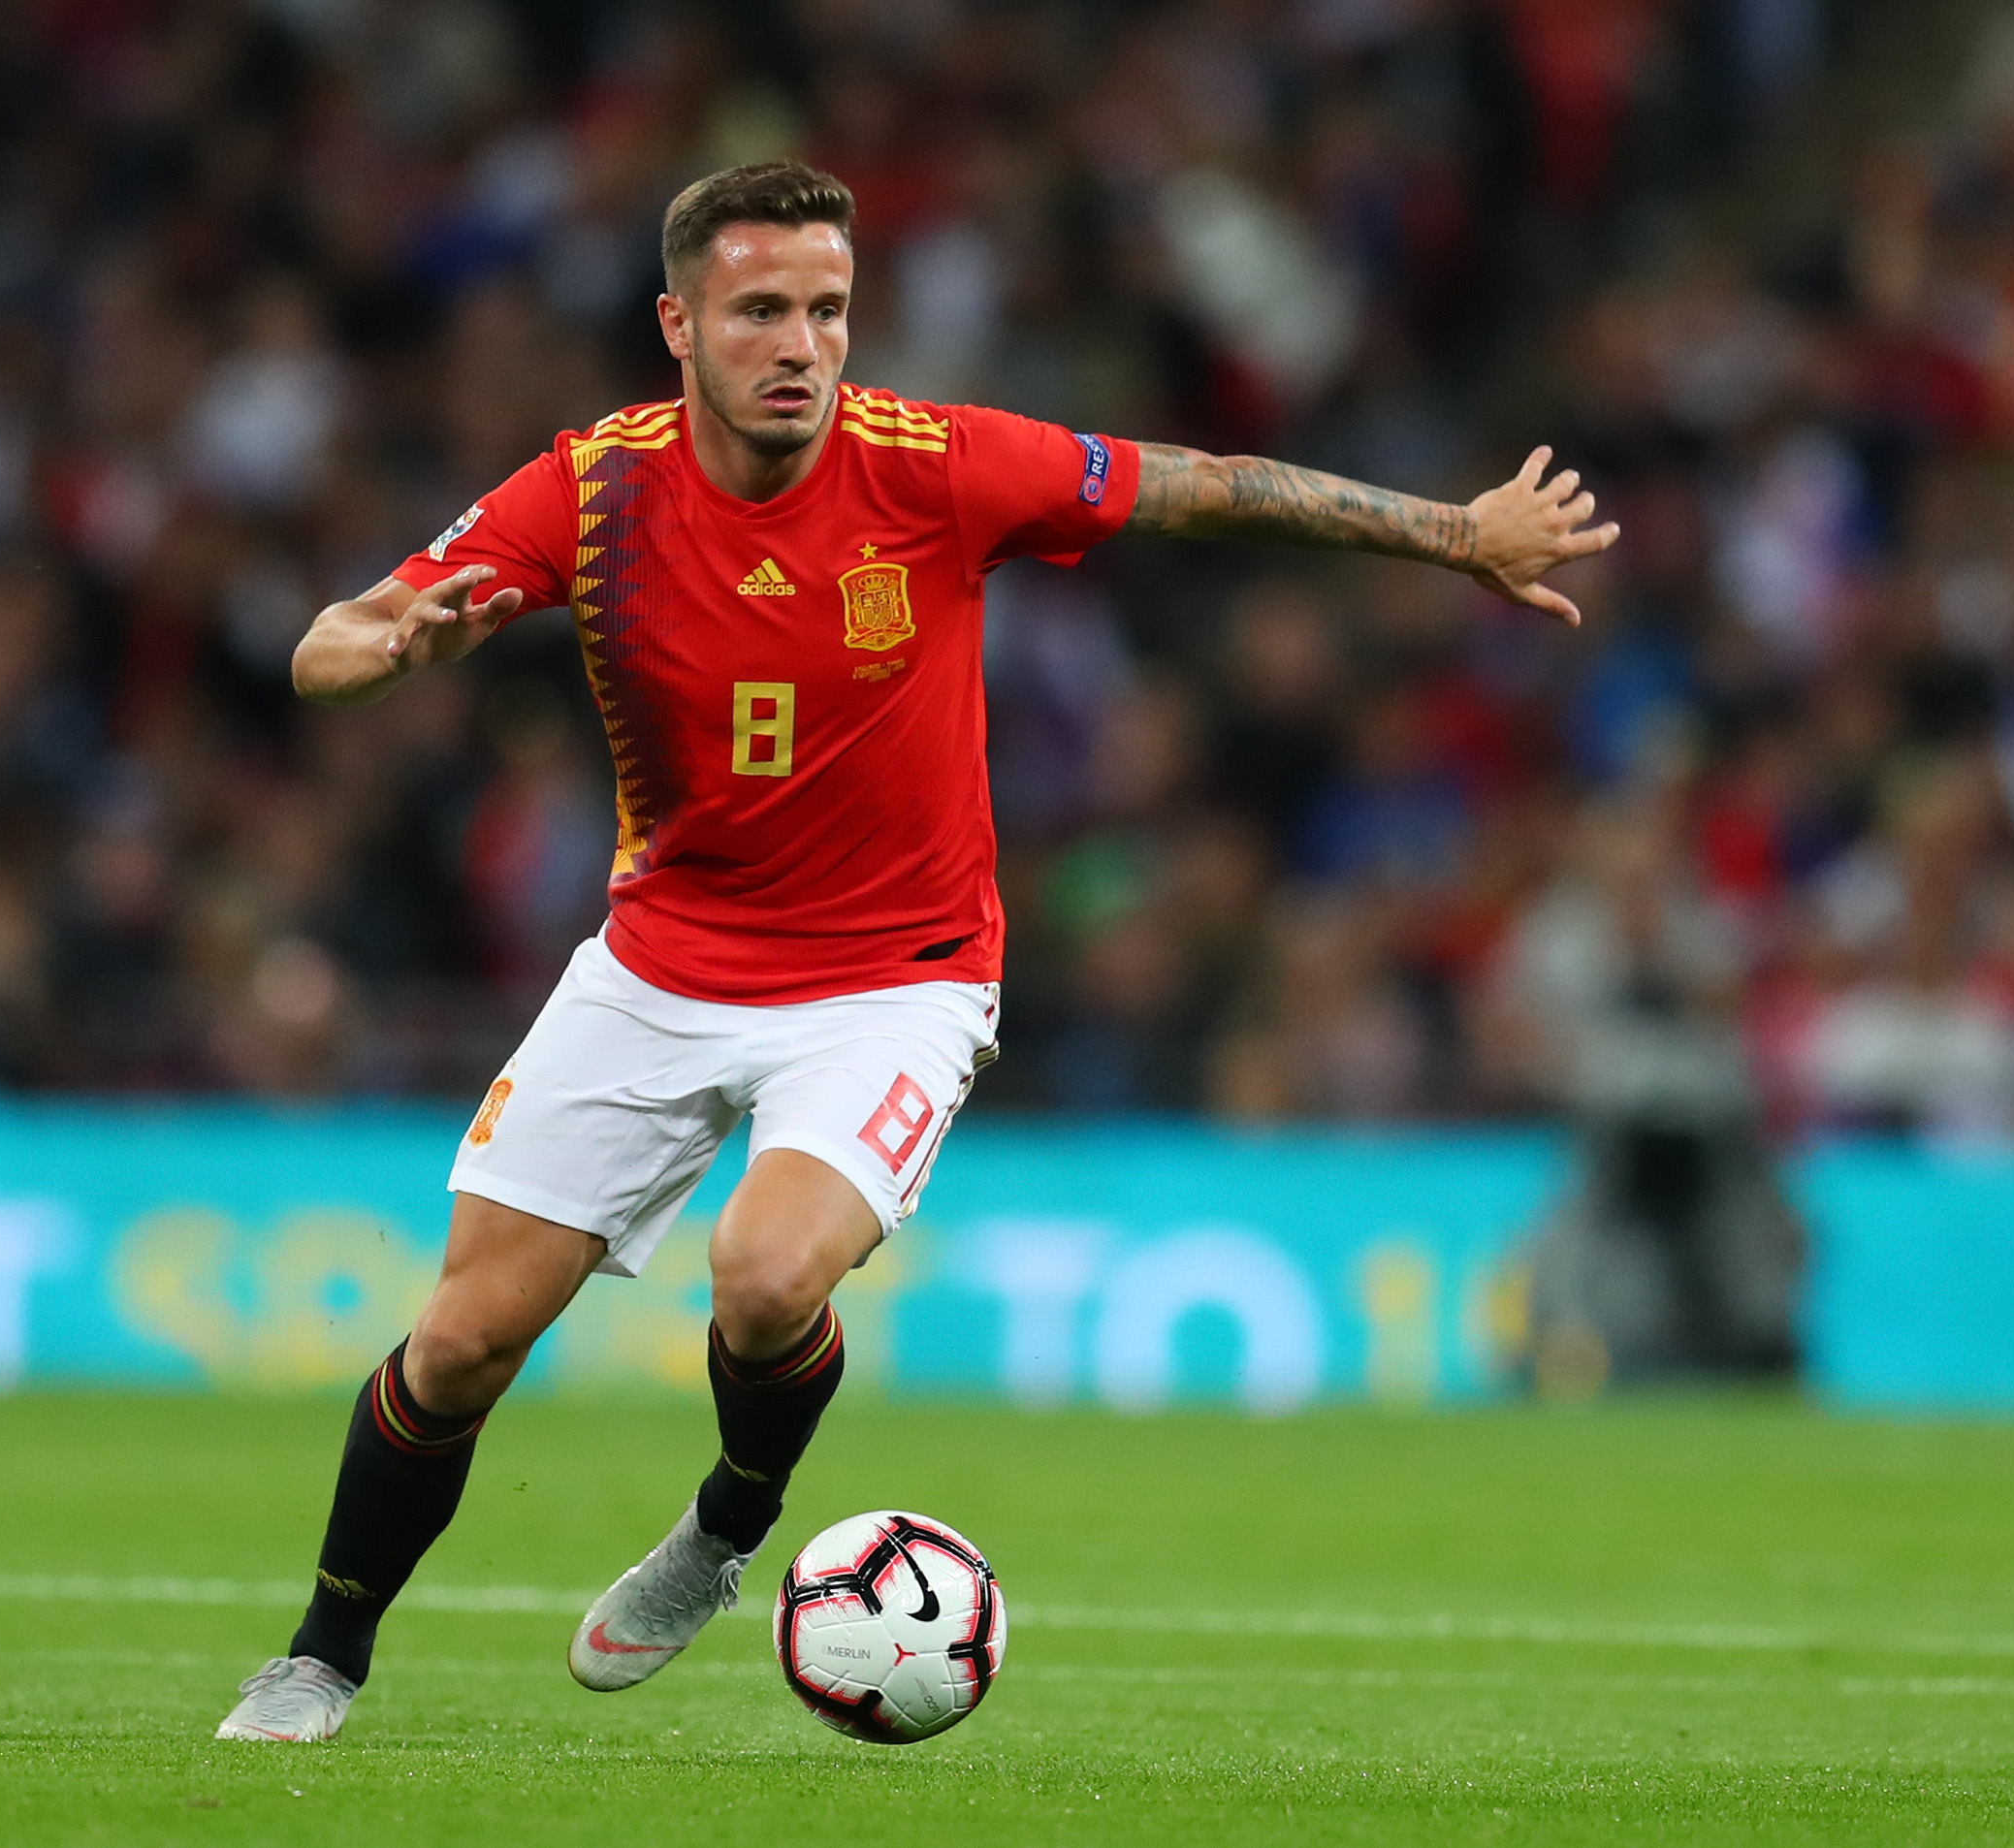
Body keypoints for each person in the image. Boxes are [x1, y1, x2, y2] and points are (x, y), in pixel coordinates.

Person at [216, 161, 1616, 1742]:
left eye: (826, 308)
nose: (801, 343)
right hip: (659, 962)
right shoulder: (595, 491)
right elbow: (354, 626)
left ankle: (727, 1529)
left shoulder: (939, 466)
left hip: (895, 978)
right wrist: (387, 638)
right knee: (461, 1340)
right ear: (679, 325)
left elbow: (1206, 484)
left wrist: (1457, 533)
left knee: (761, 1276)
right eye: (760, 311)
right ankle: (323, 1655)